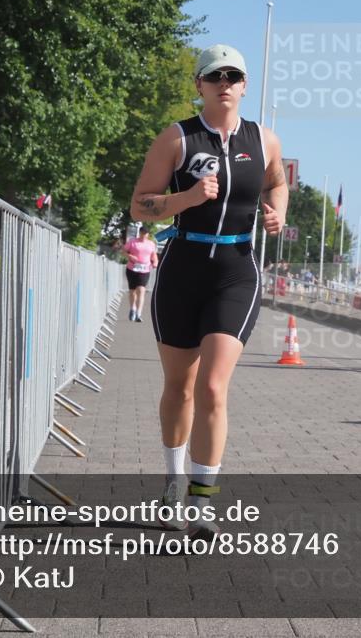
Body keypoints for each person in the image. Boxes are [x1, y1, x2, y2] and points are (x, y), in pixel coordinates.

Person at [130, 44, 288, 539]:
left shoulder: (264, 140)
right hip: (183, 267)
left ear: (244, 86)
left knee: (213, 387)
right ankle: (173, 485)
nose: (225, 82)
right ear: (198, 84)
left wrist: (278, 211)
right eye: (215, 75)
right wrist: (189, 198)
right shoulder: (177, 138)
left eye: (234, 75)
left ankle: (203, 499)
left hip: (237, 270)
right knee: (179, 388)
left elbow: (276, 183)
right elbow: (140, 207)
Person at [123, 225, 158, 322]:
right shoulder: (133, 242)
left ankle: (138, 313)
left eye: (145, 234)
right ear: (140, 233)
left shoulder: (151, 244)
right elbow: (123, 251)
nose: (143, 235)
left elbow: (154, 255)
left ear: (148, 234)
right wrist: (130, 256)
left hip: (145, 269)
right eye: (142, 233)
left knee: (141, 290)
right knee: (132, 291)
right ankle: (132, 309)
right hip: (132, 269)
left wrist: (155, 262)